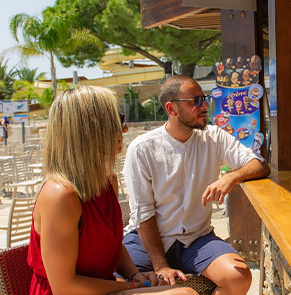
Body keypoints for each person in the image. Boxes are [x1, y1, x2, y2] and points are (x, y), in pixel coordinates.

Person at [27, 86, 196, 295]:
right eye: (117, 120)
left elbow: (112, 243)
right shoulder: (60, 196)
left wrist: (135, 274)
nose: (124, 129)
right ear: (89, 130)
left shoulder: (107, 181)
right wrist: (129, 285)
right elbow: (64, 287)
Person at [122, 75, 270, 295]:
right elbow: (143, 214)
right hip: (147, 241)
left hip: (196, 239)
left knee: (238, 277)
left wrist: (230, 177)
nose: (205, 106)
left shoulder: (214, 137)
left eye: (205, 98)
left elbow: (260, 165)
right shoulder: (142, 148)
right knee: (116, 282)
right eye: (196, 101)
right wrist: (161, 266)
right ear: (171, 109)